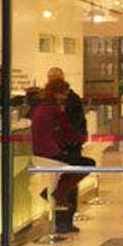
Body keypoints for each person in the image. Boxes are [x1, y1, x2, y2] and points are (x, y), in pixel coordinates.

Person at [31, 75, 94, 235]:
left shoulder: (39, 109)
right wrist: (81, 138)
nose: (65, 97)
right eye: (64, 93)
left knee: (71, 168)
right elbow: (68, 133)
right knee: (87, 164)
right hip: (53, 154)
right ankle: (58, 193)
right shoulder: (56, 110)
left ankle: (56, 192)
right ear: (57, 92)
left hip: (39, 155)